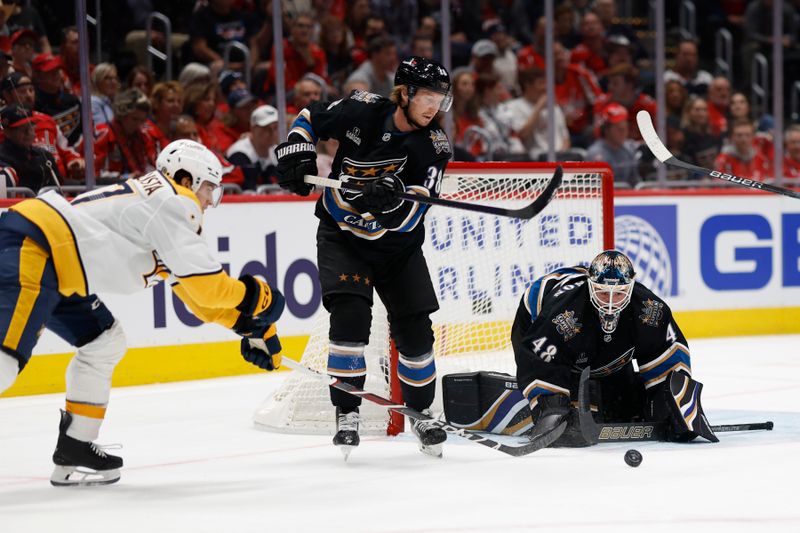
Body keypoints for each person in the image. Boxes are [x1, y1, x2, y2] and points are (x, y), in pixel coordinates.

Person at [0, 139, 286, 486]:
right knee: (5, 362)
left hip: (57, 263)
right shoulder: (174, 203)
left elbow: (197, 299)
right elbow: (208, 287)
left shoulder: (157, 209)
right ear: (185, 177)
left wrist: (251, 327)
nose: (211, 201)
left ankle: (75, 444)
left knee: (104, 341)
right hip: (36, 247)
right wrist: (258, 296)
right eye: (210, 187)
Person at [275, 56, 453, 458]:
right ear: (404, 93)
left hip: (397, 249)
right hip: (343, 237)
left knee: (416, 331)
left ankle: (421, 412)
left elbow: (411, 217)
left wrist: (388, 204)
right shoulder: (361, 109)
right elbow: (309, 115)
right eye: (426, 96)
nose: (433, 107)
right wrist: (297, 151)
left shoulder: (434, 145)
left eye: (440, 98)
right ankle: (347, 414)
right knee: (350, 316)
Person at [511, 250, 718, 447]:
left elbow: (667, 354)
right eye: (602, 293)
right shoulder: (562, 315)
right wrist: (552, 408)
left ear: (630, 287)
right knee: (562, 413)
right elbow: (537, 356)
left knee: (623, 407)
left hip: (607, 356)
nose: (610, 302)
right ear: (590, 286)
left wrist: (675, 402)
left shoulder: (649, 310)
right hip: (534, 324)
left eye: (618, 294)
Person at [0, 103, 63, 193]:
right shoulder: (2, 158)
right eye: (23, 129)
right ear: (7, 132)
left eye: (31, 127)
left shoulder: (45, 156)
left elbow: (58, 190)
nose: (29, 133)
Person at [226, 104, 279, 190]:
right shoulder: (239, 154)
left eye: (275, 128)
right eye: (266, 128)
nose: (272, 133)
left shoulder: (277, 152)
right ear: (253, 129)